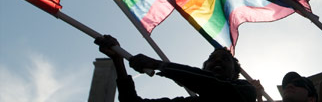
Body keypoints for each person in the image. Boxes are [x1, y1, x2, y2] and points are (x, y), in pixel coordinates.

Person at [95, 35, 257, 102]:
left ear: (236, 74)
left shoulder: (245, 90)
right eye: (211, 59)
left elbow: (216, 88)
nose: (217, 62)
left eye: (224, 59)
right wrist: (118, 61)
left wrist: (159, 65)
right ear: (204, 68)